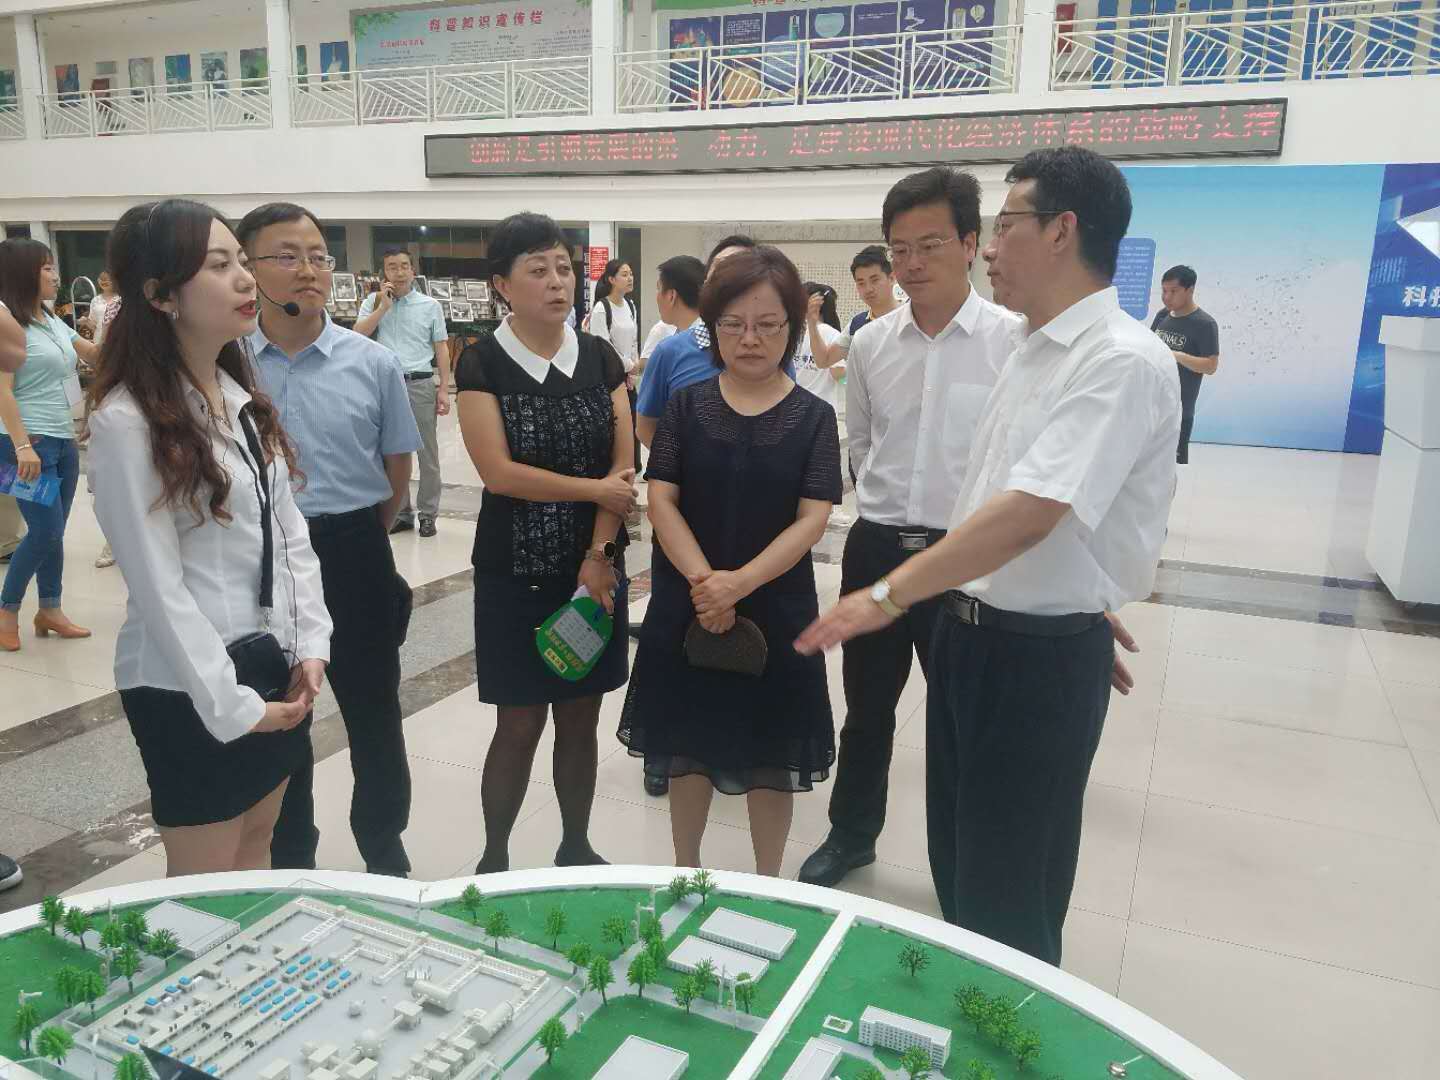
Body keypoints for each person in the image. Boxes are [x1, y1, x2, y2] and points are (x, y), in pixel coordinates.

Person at [797, 146, 1177, 966]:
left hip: (1030, 655)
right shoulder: (1039, 350)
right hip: (975, 628)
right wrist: (1076, 593)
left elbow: (1031, 512)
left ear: (1062, 231)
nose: (994, 249)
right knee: (963, 863)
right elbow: (997, 497)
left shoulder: (1116, 359)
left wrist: (889, 595)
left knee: (1010, 892)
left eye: (1006, 227)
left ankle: (1007, 1019)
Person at [88, 199, 330, 875]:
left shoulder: (239, 399)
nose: (246, 279)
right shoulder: (126, 423)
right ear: (160, 295)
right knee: (205, 883)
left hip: (270, 661)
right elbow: (158, 587)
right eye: (219, 266)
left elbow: (289, 536)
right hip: (188, 685)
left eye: (240, 262)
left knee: (258, 846)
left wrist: (310, 643)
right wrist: (233, 704)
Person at [797, 167, 1021, 890]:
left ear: (970, 243)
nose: (912, 263)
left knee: (960, 719)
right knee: (866, 709)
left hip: (965, 556)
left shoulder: (1013, 341)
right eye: (900, 249)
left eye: (931, 245)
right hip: (878, 548)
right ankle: (851, 835)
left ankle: (958, 860)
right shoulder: (870, 343)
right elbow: (862, 442)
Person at [619, 246, 841, 876]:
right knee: (687, 747)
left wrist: (737, 584)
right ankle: (684, 872)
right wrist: (706, 584)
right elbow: (661, 499)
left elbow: (813, 518)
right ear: (713, 328)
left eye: (768, 325)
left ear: (791, 328)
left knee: (772, 755)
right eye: (734, 324)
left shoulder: (815, 418)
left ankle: (769, 883)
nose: (750, 339)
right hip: (688, 601)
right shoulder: (687, 406)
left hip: (777, 603)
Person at [238, 202, 422, 878]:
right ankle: (293, 859)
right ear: (247, 269)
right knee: (282, 712)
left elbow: (396, 467)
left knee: (374, 711)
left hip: (353, 550)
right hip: (259, 560)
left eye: (318, 256)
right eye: (287, 256)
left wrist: (361, 534)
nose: (308, 270)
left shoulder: (372, 362)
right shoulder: (226, 365)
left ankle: (384, 848)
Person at [455, 212, 636, 873]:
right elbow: (499, 474)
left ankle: (575, 846)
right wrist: (594, 492)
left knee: (581, 718)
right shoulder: (482, 362)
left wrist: (599, 556)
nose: (558, 282)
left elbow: (623, 468)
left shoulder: (600, 358)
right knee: (520, 721)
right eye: (538, 270)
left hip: (592, 572)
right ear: (502, 285)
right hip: (514, 573)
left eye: (563, 268)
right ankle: (493, 859)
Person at [633, 236, 759, 799]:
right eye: (721, 274)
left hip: (751, 522)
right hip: (682, 518)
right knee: (671, 627)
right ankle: (662, 748)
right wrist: (685, 469)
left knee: (736, 634)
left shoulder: (770, 348)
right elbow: (646, 425)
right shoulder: (673, 351)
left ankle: (725, 747)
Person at [0, 238, 101, 653]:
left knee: (54, 532)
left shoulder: (49, 319)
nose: (56, 276)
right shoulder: (7, 322)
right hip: (26, 445)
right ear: (22, 273)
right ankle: (7, 611)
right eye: (46, 268)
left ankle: (50, 609)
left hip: (61, 440)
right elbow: (2, 391)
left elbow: (93, 354)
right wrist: (22, 447)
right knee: (45, 531)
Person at [354, 248, 451, 537]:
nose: (399, 272)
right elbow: (357, 335)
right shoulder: (373, 302)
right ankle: (402, 512)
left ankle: (428, 514)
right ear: (384, 272)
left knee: (427, 455)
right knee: (392, 453)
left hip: (420, 384)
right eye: (392, 267)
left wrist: (444, 389)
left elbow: (441, 347)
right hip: (384, 384)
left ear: (412, 271)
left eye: (404, 266)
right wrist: (382, 308)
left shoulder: (430, 305)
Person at [587, 259, 643, 530]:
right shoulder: (602, 308)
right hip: (609, 380)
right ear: (610, 279)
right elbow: (602, 345)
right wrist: (629, 365)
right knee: (614, 436)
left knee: (631, 437)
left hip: (628, 379)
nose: (630, 278)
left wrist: (633, 367)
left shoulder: (630, 306)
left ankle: (627, 498)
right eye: (624, 274)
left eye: (631, 274)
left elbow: (633, 341)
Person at [1150, 265, 1220, 465]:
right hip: (1151, 406)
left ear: (1190, 290)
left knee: (1168, 469)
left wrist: (1176, 355)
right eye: (1164, 291)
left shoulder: (1205, 324)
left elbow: (1211, 366)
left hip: (1178, 412)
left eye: (1173, 291)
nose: (1166, 297)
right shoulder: (1162, 315)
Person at [816, 244, 903, 371]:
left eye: (874, 280)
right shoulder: (857, 324)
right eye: (861, 283)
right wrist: (812, 324)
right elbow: (824, 361)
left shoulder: (912, 316)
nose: (868, 289)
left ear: (891, 278)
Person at [796, 281, 845, 413]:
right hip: (821, 411)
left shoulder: (790, 333)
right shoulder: (832, 334)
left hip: (792, 408)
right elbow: (839, 374)